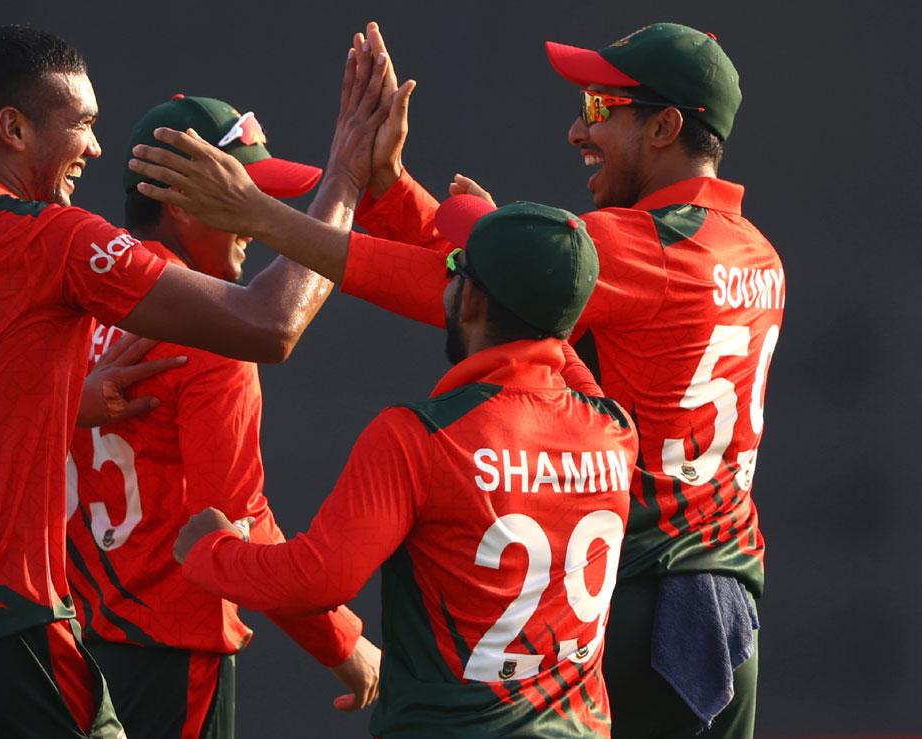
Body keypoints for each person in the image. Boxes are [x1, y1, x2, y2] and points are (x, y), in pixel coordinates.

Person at [132, 20, 784, 739]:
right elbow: (516, 275)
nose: (576, 130)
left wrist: (265, 215)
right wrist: (397, 193)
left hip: (629, 609)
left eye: (601, 108)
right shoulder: (756, 254)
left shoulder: (639, 249)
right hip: (722, 608)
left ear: (666, 125)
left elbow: (468, 283)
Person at [0, 24, 389, 737]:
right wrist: (344, 179)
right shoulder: (54, 240)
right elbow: (271, 326)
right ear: (14, 128)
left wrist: (62, 409)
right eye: (82, 123)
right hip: (10, 633)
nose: (94, 145)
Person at [172, 198, 639, 737]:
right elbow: (554, 344)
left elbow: (317, 579)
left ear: (471, 299)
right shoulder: (615, 429)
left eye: (453, 271)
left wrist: (211, 553)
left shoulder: (418, 438)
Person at [65, 94, 379, 739]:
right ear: (182, 201)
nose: (259, 220)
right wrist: (345, 646)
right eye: (244, 197)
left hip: (48, 648)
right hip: (162, 652)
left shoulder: (62, 294)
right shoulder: (208, 334)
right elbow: (232, 524)